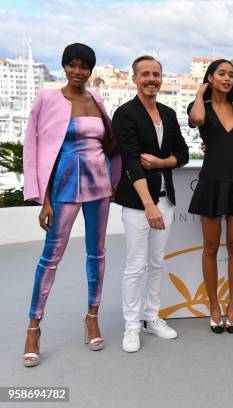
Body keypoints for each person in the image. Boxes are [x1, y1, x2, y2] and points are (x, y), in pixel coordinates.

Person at [22, 43, 121, 366]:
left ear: (91, 71)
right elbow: (35, 148)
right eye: (72, 65)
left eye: (84, 67)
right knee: (50, 256)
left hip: (99, 184)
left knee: (98, 253)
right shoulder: (46, 99)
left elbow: (108, 143)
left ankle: (92, 317)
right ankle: (34, 327)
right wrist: (43, 199)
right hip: (63, 185)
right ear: (64, 66)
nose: (78, 71)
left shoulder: (97, 99)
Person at [113, 55, 189, 352]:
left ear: (161, 78)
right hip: (138, 204)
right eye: (145, 74)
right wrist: (148, 205)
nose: (151, 79)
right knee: (135, 265)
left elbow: (181, 154)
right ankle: (131, 326)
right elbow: (131, 161)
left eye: (156, 74)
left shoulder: (168, 114)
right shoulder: (125, 114)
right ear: (134, 78)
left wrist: (160, 161)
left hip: (165, 200)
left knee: (157, 263)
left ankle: (151, 317)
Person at [187, 59, 233, 334]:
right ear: (211, 78)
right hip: (212, 182)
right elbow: (197, 120)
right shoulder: (200, 106)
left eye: (231, 74)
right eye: (222, 74)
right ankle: (214, 306)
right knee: (211, 248)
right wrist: (199, 93)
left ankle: (232, 306)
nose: (228, 78)